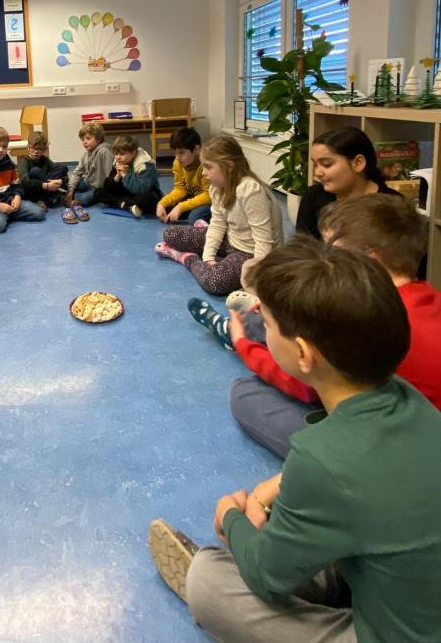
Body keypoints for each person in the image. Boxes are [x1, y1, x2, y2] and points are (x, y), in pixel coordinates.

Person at [148, 237, 441, 642]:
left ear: (303, 354)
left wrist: (230, 516)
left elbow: (265, 576)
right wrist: (275, 488)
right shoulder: (411, 400)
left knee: (211, 580)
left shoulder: (319, 458)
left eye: (267, 325)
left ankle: (227, 586)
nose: (261, 326)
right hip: (409, 590)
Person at [227, 194, 441, 457]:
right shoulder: (421, 296)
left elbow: (310, 383)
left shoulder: (364, 321)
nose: (323, 256)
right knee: (262, 319)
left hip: (395, 444)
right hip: (396, 407)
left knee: (245, 393)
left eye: (332, 251)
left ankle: (236, 333)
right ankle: (251, 328)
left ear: (369, 262)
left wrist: (244, 347)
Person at [156, 135, 283, 295]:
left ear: (229, 166)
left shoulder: (250, 190)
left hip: (250, 252)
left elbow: (263, 239)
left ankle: (185, 257)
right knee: (170, 234)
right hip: (230, 239)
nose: (203, 173)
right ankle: (213, 251)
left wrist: (256, 276)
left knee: (214, 281)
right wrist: (208, 258)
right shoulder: (216, 187)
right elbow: (218, 224)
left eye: (208, 167)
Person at [296, 126, 397, 239]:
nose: (317, 172)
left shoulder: (393, 205)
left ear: (358, 163)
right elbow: (301, 245)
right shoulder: (314, 196)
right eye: (315, 165)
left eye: (326, 164)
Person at [94, 134, 162, 218]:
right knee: (98, 192)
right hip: (128, 194)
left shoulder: (145, 164)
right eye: (116, 153)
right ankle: (127, 206)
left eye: (122, 154)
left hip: (144, 193)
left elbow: (142, 188)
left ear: (133, 153)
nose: (118, 157)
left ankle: (121, 203)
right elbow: (108, 187)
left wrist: (126, 176)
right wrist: (117, 177)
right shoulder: (118, 162)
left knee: (148, 199)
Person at [155, 127, 211, 225]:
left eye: (181, 152)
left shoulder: (205, 165)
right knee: (166, 209)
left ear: (196, 149)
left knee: (194, 218)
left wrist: (181, 207)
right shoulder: (178, 163)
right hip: (194, 197)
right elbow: (180, 189)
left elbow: (209, 195)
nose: (177, 157)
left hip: (211, 200)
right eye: (175, 152)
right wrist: (162, 203)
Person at [65, 122, 114, 210]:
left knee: (85, 198)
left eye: (88, 138)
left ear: (99, 139)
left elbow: (109, 174)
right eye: (83, 139)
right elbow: (77, 172)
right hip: (88, 182)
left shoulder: (104, 151)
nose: (84, 142)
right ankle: (74, 195)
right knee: (68, 184)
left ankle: (77, 198)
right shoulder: (86, 154)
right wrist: (71, 189)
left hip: (99, 187)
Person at [16, 131, 69, 208]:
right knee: (35, 171)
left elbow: (61, 173)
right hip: (33, 191)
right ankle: (55, 197)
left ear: (44, 150)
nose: (35, 151)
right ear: (28, 147)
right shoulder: (24, 161)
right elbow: (24, 182)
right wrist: (46, 185)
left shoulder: (44, 159)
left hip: (45, 187)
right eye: (33, 148)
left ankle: (50, 197)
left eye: (39, 149)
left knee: (62, 167)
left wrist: (61, 181)